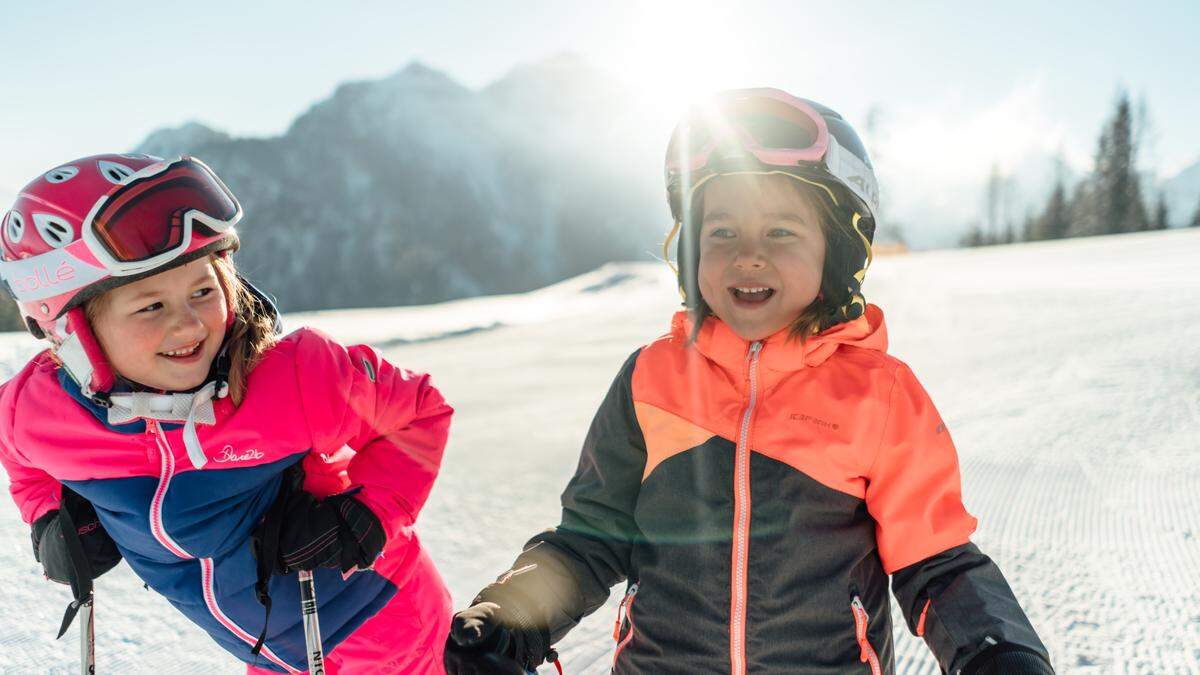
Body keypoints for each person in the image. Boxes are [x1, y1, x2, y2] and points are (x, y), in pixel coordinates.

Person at [443, 88, 1054, 674]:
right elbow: (588, 540)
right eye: (722, 232)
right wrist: (511, 614)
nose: (748, 255)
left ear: (836, 253)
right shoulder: (650, 379)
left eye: (781, 231)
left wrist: (994, 650)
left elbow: (937, 561)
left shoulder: (880, 396)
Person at [0, 154, 453, 674]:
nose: (190, 324)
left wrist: (368, 514)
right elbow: (18, 456)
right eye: (152, 306)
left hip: (384, 627)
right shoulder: (37, 413)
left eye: (203, 290)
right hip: (268, 651)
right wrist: (50, 516)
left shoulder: (295, 377)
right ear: (70, 331)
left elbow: (419, 411)